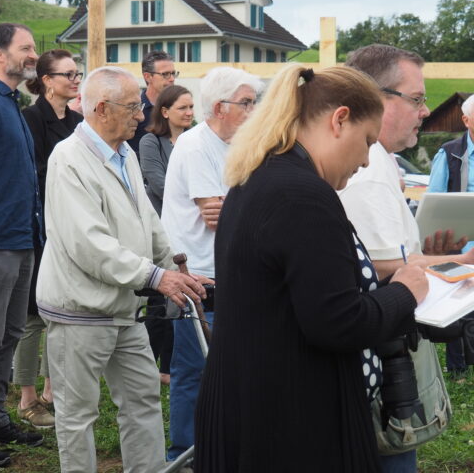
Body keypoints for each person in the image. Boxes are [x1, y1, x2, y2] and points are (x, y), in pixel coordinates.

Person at [194, 63, 429, 473]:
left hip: (258, 408)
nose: (365, 161)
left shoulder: (261, 179)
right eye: (367, 141)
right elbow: (338, 323)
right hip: (291, 429)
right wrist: (406, 290)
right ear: (340, 120)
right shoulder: (302, 195)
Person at [36, 66, 210, 473]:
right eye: (132, 107)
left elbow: (149, 221)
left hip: (123, 308)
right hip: (78, 311)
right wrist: (156, 277)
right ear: (100, 109)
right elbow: (89, 244)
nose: (140, 114)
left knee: (144, 401)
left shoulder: (126, 152)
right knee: (78, 416)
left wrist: (175, 267)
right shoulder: (69, 159)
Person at [339, 44, 474, 473]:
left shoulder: (379, 159)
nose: (425, 110)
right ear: (376, 99)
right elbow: (376, 266)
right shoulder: (369, 165)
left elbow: (392, 256)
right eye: (416, 99)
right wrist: (457, 267)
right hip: (378, 359)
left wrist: (427, 257)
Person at [161, 66, 264, 463]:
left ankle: (223, 446)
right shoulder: (195, 145)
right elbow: (215, 215)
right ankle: (183, 452)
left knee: (233, 367)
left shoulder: (240, 144)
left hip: (232, 271)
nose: (254, 110)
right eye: (246, 103)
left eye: (255, 102)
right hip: (197, 275)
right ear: (220, 107)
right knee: (194, 369)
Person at [12, 49, 83, 430]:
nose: (75, 80)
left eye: (78, 73)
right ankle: (26, 399)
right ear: (47, 80)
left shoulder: (77, 120)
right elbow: (36, 173)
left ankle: (53, 390)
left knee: (63, 311)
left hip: (70, 228)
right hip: (38, 226)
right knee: (33, 317)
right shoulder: (31, 118)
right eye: (68, 74)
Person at [0, 23, 43, 468]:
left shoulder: (12, 103)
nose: (33, 55)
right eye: (25, 48)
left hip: (22, 239)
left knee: (8, 336)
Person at [139, 84, 194, 386]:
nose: (189, 113)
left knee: (182, 297)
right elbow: (160, 184)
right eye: (183, 107)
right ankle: (150, 363)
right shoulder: (151, 142)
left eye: (191, 107)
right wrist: (198, 197)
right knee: (160, 299)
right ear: (165, 112)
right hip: (161, 230)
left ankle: (171, 366)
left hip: (188, 229)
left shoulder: (194, 142)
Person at [428, 93, 474, 375]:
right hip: (460, 244)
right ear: (466, 120)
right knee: (458, 308)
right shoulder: (449, 153)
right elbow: (433, 202)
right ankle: (458, 368)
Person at [128, 50, 178, 154]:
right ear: (148, 77)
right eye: (165, 74)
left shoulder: (178, 109)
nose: (172, 79)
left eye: (173, 73)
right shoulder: (134, 112)